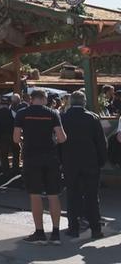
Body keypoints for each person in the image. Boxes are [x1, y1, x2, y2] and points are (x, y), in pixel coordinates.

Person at [13, 89, 67, 245]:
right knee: (53, 194)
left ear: (31, 99)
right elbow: (62, 137)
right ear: (44, 99)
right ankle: (56, 233)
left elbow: (16, 138)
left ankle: (39, 232)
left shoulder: (22, 113)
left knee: (35, 195)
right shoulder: (53, 113)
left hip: (31, 157)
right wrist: (53, 141)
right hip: (50, 157)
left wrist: (24, 139)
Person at [59, 91, 106, 239]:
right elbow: (101, 142)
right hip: (90, 162)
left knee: (73, 195)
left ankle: (73, 228)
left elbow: (59, 142)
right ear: (84, 102)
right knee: (92, 196)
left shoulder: (63, 118)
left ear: (71, 102)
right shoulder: (92, 118)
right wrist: (101, 161)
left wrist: (61, 161)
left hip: (70, 162)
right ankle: (96, 229)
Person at [0, 98, 19, 176]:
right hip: (12, 135)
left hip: (1, 137)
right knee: (16, 152)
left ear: (0, 106)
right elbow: (17, 122)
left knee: (3, 155)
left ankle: (6, 171)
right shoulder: (12, 112)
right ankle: (15, 169)